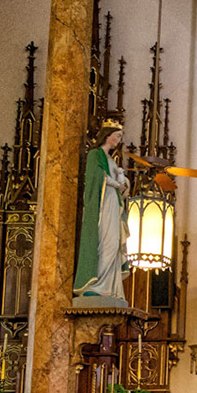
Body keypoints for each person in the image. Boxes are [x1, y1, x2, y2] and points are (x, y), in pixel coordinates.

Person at [74, 122, 131, 305]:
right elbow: (96, 176)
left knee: (114, 243)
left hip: (113, 203)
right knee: (105, 241)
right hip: (102, 204)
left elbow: (118, 183)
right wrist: (116, 183)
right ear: (107, 135)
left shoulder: (112, 160)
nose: (119, 140)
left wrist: (123, 181)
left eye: (121, 137)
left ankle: (109, 287)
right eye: (118, 136)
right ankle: (95, 285)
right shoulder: (94, 155)